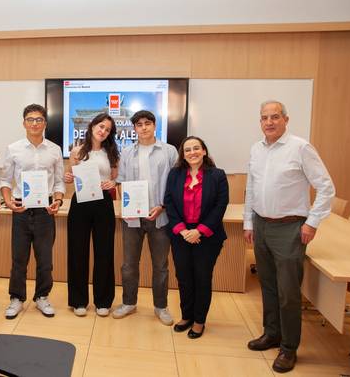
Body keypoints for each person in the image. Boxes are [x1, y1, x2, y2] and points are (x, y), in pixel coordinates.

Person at [244, 100, 334, 373]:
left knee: (288, 293)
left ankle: (289, 348)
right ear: (260, 121)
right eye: (264, 118)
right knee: (268, 287)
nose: (269, 122)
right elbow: (252, 186)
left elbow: (326, 187)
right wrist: (249, 222)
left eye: (274, 117)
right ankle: (272, 334)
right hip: (261, 226)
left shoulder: (300, 148)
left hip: (290, 228)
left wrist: (312, 223)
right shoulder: (256, 149)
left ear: (285, 119)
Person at [0, 104, 65, 319]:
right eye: (30, 119)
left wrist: (58, 199)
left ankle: (42, 297)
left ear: (45, 123)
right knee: (19, 258)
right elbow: (5, 180)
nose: (35, 123)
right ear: (24, 123)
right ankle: (16, 298)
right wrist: (8, 202)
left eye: (39, 119)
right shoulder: (13, 149)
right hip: (21, 209)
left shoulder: (55, 150)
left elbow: (58, 182)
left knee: (45, 259)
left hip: (45, 210)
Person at [112, 110, 177, 325]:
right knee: (129, 264)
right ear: (134, 129)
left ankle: (161, 307)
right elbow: (120, 183)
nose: (144, 127)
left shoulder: (169, 151)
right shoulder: (127, 152)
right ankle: (129, 303)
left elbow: (176, 184)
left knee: (160, 265)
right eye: (139, 124)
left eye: (147, 123)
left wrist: (163, 206)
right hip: (133, 218)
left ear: (154, 125)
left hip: (160, 216)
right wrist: (125, 207)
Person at [164, 136, 228, 339]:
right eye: (188, 150)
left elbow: (220, 206)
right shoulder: (175, 174)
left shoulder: (217, 175)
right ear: (183, 154)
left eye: (196, 148)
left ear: (204, 151)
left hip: (207, 236)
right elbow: (169, 203)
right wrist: (183, 230)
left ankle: (199, 321)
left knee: (201, 278)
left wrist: (199, 231)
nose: (192, 152)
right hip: (180, 234)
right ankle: (187, 316)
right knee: (183, 277)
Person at [64, 113, 119, 317]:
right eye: (100, 126)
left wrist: (112, 183)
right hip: (80, 203)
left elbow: (115, 179)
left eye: (107, 129)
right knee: (78, 251)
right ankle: (79, 301)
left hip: (103, 203)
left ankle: (103, 301)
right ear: (92, 125)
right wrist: (68, 177)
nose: (103, 131)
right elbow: (71, 176)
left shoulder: (111, 152)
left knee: (104, 251)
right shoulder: (77, 150)